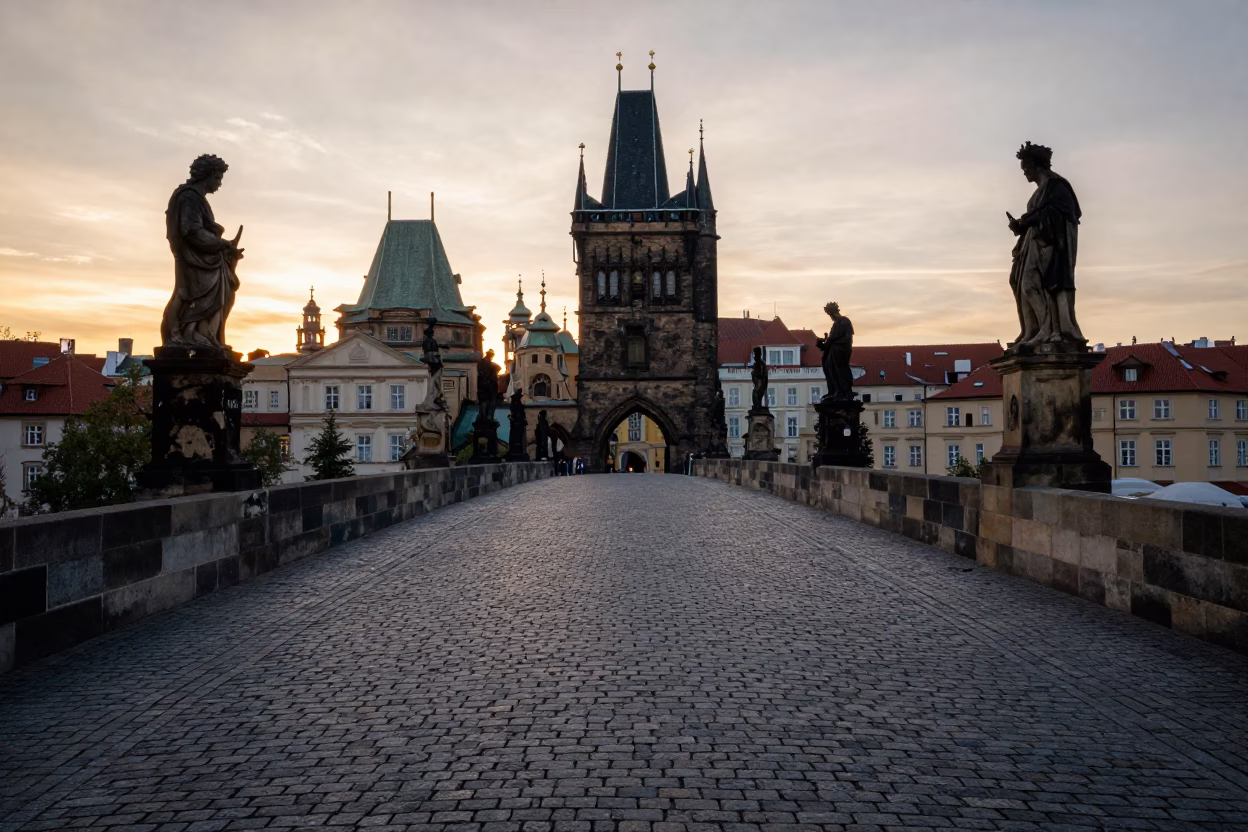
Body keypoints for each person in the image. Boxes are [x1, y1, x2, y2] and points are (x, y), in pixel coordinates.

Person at [161, 154, 244, 348]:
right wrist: (221, 244)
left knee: (195, 296)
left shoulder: (194, 198)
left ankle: (203, 335)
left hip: (203, 258)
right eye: (217, 178)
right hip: (194, 259)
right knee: (186, 295)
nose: (219, 184)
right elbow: (191, 231)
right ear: (206, 175)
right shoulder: (189, 197)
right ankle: (181, 336)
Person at [1007, 141, 1085, 346]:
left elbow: (1064, 214)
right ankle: (1031, 330)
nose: (1024, 173)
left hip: (1049, 246)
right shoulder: (1039, 192)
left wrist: (1025, 221)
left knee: (1031, 284)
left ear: (1036, 166)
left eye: (1026, 168)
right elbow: (1040, 215)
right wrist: (1021, 226)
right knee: (1016, 281)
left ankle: (1048, 329)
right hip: (1031, 244)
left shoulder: (1057, 185)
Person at [816, 302, 854, 401]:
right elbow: (832, 339)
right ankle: (834, 391)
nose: (830, 316)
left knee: (838, 369)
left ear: (833, 312)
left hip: (840, 351)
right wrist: (823, 344)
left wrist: (826, 344)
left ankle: (842, 391)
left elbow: (838, 338)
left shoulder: (844, 321)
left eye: (830, 314)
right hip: (834, 350)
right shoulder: (837, 323)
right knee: (830, 368)